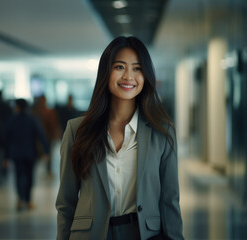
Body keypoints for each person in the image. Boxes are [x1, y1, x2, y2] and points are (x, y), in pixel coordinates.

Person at [56, 36, 184, 240]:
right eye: (119, 67)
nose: (128, 76)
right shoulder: (77, 130)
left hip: (143, 234)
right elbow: (66, 203)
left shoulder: (162, 132)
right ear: (106, 72)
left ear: (146, 75)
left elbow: (169, 200)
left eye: (137, 68)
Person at [4, 99, 50, 211]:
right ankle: (28, 200)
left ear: (18, 107)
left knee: (19, 176)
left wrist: (6, 156)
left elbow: (6, 138)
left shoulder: (12, 119)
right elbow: (41, 135)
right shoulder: (33, 119)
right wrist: (46, 151)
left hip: (16, 153)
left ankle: (20, 199)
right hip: (30, 153)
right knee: (29, 176)